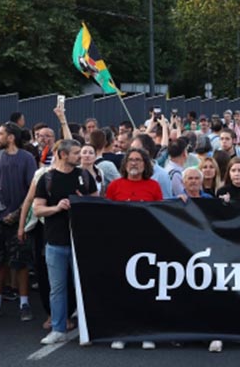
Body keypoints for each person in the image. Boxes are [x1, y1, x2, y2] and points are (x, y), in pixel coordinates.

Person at [33, 139, 98, 345]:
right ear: (62, 154)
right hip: (55, 242)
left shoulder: (85, 176)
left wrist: (84, 202)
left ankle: (89, 329)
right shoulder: (47, 178)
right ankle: (58, 329)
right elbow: (37, 209)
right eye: (76, 153)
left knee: (86, 287)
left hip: (81, 242)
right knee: (58, 289)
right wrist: (57, 208)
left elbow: (98, 203)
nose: (80, 156)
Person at [0, 121, 38, 322]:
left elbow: (32, 189)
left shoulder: (27, 158)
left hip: (17, 221)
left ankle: (24, 304)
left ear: (11, 137)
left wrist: (19, 213)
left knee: (20, 264)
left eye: (1, 134)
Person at [106, 147, 161, 350]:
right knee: (122, 290)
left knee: (146, 290)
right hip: (121, 245)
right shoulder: (114, 186)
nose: (134, 163)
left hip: (146, 247)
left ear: (145, 164)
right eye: (131, 160)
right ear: (125, 164)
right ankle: (122, 332)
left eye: (138, 160)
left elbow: (161, 215)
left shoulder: (154, 186)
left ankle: (147, 332)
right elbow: (105, 215)